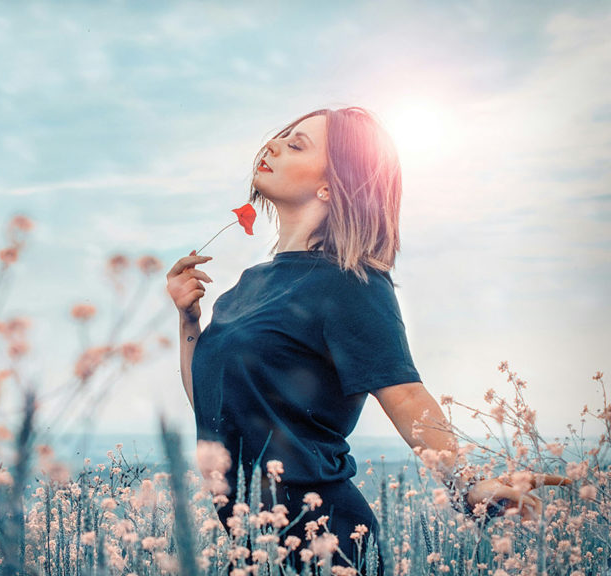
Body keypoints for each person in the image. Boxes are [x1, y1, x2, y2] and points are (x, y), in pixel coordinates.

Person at [165, 107, 570, 574]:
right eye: (280, 137)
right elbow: (212, 407)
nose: (271, 146)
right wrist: (188, 320)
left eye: (296, 145)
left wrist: (465, 482)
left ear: (330, 187)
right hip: (251, 544)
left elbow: (404, 391)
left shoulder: (352, 281)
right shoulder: (247, 286)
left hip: (328, 537)